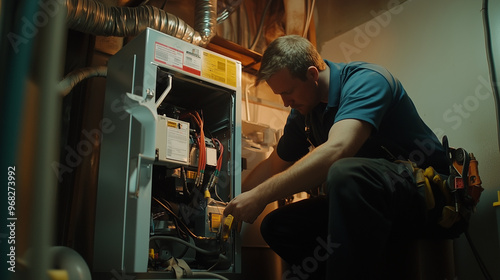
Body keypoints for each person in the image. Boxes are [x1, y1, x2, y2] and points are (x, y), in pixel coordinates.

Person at [223, 35, 452, 279]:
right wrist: (234, 198)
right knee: (278, 226)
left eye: (288, 92)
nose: (285, 102)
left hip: (424, 192)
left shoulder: (367, 81)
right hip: (368, 198)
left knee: (344, 172)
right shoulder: (304, 115)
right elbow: (273, 165)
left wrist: (261, 196)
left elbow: (338, 149)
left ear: (312, 74)